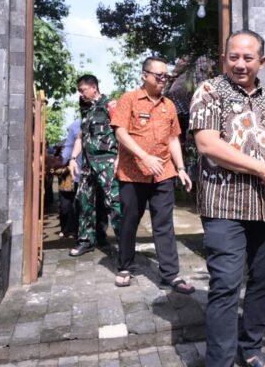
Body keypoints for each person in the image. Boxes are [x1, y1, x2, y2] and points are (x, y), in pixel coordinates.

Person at [189, 30, 265, 367]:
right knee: (225, 285)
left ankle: (251, 349)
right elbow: (208, 144)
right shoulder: (209, 91)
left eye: (248, 58)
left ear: (262, 62)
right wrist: (262, 169)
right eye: (233, 57)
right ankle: (220, 361)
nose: (240, 64)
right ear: (224, 58)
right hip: (224, 205)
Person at [111, 56, 195, 293]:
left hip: (163, 173)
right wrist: (144, 157)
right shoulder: (129, 99)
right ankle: (125, 266)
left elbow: (172, 139)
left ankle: (170, 274)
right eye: (159, 76)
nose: (163, 80)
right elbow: (120, 133)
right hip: (132, 173)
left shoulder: (168, 105)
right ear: (144, 75)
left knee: (164, 224)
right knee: (129, 221)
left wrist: (180, 169)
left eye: (166, 76)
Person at [67, 75, 122, 256]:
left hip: (107, 163)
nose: (81, 94)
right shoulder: (86, 110)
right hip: (88, 165)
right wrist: (73, 159)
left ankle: (125, 244)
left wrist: (119, 160)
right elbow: (81, 137)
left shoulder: (110, 105)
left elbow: (122, 134)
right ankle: (86, 241)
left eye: (83, 90)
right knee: (84, 202)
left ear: (93, 87)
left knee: (114, 204)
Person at [58, 119, 83, 238]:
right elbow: (68, 147)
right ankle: (79, 233)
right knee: (78, 206)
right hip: (79, 174)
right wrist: (58, 163)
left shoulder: (108, 119)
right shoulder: (75, 126)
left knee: (101, 207)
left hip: (101, 173)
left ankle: (101, 237)